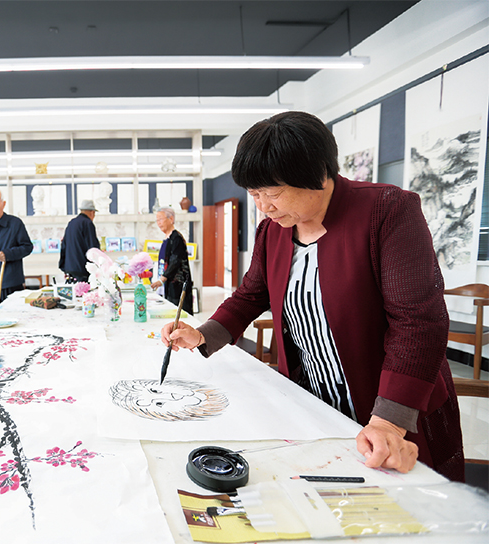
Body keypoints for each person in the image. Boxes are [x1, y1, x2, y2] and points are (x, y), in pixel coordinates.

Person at [162, 111, 464, 481]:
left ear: (318, 175)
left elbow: (417, 321)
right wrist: (202, 334)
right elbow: (251, 294)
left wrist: (389, 421)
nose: (263, 206)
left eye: (273, 193)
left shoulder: (386, 211)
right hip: (316, 404)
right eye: (255, 194)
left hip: (389, 411)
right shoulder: (272, 231)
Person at [0, 188, 33, 312]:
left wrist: (7, 254)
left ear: (3, 204)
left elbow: (27, 247)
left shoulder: (15, 224)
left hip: (12, 283)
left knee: (15, 318)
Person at [150, 207, 194, 315]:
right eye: (157, 220)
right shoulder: (167, 238)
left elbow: (175, 261)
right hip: (169, 283)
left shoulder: (176, 238)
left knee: (180, 314)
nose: (159, 223)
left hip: (178, 284)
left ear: (171, 219)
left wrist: (161, 280)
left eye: (161, 219)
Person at [59, 199, 100, 283]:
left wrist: (64, 266)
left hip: (70, 268)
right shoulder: (88, 223)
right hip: (83, 269)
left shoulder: (71, 223)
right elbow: (93, 248)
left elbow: (64, 245)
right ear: (92, 213)